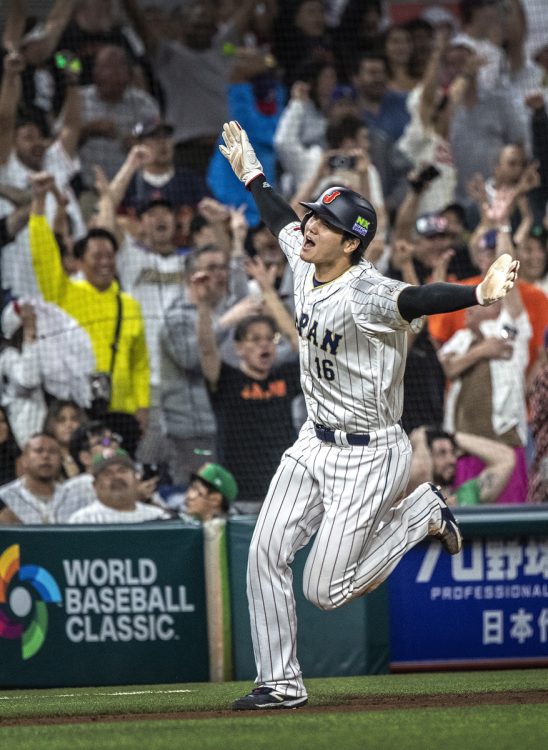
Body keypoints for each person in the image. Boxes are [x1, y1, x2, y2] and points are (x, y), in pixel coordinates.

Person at [218, 120, 519, 710]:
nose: (309, 227)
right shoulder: (304, 260)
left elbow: (418, 299)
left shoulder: (367, 291)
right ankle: (280, 681)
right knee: (265, 551)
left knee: (325, 589)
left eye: (323, 224)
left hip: (369, 452)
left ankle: (423, 511)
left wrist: (476, 294)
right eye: (313, 216)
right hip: (313, 441)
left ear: (350, 242)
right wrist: (253, 175)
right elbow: (279, 216)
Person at [407, 426, 516, 505]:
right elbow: (421, 471)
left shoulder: (467, 494)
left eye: (453, 452)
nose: (452, 460)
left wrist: (453, 436)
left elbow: (506, 458)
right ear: (428, 458)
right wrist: (420, 438)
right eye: (442, 453)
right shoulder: (416, 497)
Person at [68, 449, 169, 524]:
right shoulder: (82, 521)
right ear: (95, 485)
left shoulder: (158, 517)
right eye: (107, 473)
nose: (116, 477)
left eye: (122, 471)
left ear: (136, 479)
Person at [0, 432, 72, 524]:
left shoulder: (72, 495)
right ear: (24, 459)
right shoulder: (4, 496)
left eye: (52, 451)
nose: (46, 456)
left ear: (60, 460)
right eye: (39, 451)